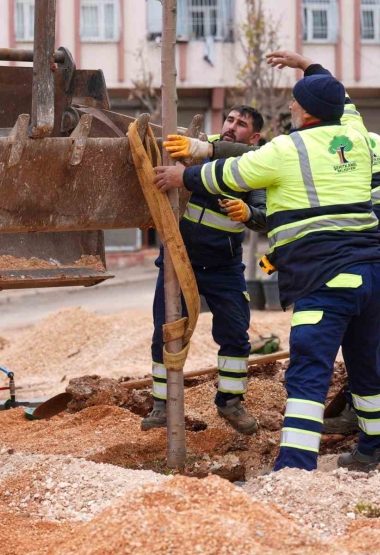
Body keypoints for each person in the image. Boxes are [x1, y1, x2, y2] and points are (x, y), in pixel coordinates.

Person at [154, 61, 380, 472]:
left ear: (305, 111)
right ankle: (373, 450)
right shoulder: (355, 134)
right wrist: (308, 67)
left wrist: (184, 175)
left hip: (325, 277)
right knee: (367, 366)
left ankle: (295, 469)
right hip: (372, 272)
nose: (291, 108)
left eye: (295, 102)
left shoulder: (287, 149)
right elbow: (344, 97)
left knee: (308, 375)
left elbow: (232, 172)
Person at [264, 52, 380, 431]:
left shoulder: (338, 148)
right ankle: (375, 411)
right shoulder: (362, 135)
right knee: (372, 339)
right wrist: (305, 63)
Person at [141, 106, 267, 436]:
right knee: (166, 333)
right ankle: (161, 405)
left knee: (236, 334)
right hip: (177, 259)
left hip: (224, 266)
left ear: (253, 137)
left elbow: (265, 214)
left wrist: (248, 213)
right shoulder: (197, 146)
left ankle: (230, 402)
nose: (231, 127)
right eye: (229, 119)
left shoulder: (257, 163)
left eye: (241, 125)